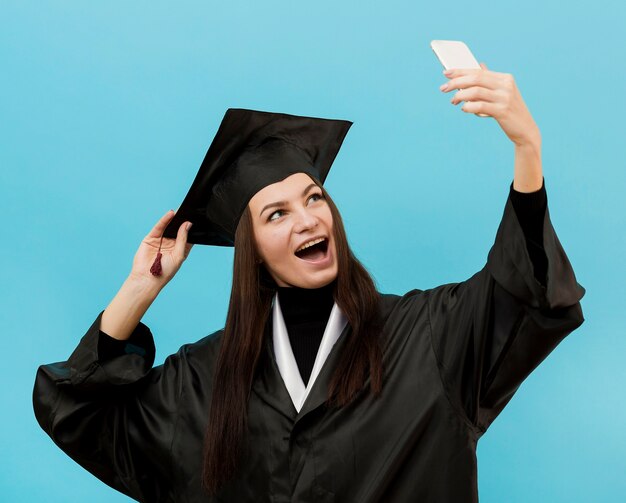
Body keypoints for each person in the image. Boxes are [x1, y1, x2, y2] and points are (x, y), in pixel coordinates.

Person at [33, 66, 585, 503]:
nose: (307, 220)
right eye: (276, 214)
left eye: (314, 197)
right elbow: (80, 416)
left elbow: (528, 293)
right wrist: (138, 289)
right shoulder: (205, 380)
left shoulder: (431, 338)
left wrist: (527, 151)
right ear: (252, 250)